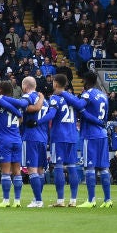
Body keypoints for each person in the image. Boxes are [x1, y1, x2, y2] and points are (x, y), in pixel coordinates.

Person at [47, 73, 85, 206]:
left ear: (56, 84)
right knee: (72, 166)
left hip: (59, 137)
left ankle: (60, 200)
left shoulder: (55, 98)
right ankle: (73, 200)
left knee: (58, 166)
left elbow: (51, 115)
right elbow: (80, 106)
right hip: (72, 136)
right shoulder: (72, 98)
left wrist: (38, 121)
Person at [77, 71, 113, 208]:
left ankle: (91, 200)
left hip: (90, 135)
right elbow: (103, 118)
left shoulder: (88, 94)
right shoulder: (103, 96)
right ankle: (107, 200)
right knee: (104, 168)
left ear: (86, 81)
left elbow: (79, 106)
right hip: (102, 134)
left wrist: (82, 111)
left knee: (90, 167)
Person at [18, 76, 50, 208]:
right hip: (43, 137)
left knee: (32, 170)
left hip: (30, 136)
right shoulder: (45, 102)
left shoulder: (27, 97)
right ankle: (38, 199)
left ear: (25, 87)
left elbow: (23, 111)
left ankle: (38, 200)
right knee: (40, 170)